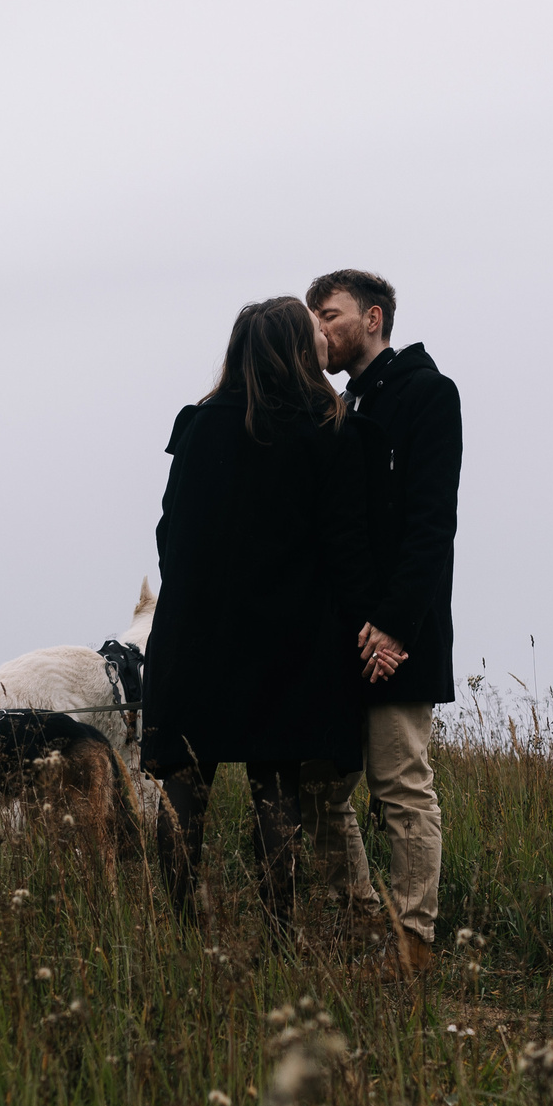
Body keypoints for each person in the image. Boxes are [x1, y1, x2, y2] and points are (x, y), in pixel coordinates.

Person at [141, 296, 374, 928]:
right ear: (300, 350)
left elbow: (169, 533)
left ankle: (184, 932)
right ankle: (280, 934)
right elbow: (347, 546)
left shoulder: (197, 424)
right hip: (289, 636)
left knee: (185, 783)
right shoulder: (329, 428)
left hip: (196, 631)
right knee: (278, 786)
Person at [304, 268, 462, 975]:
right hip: (342, 639)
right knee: (320, 787)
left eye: (329, 314)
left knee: (401, 786)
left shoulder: (429, 393)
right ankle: (367, 913)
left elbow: (431, 525)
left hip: (402, 639)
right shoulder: (338, 406)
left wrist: (394, 627)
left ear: (372, 318)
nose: (318, 328)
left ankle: (414, 942)